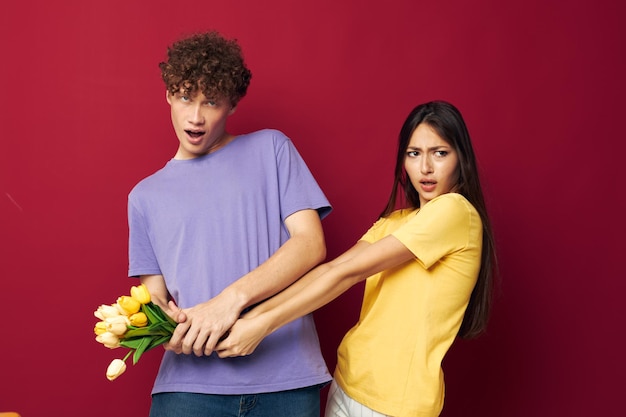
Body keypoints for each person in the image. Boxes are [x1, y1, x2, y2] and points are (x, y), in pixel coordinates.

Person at [216, 100, 497, 417]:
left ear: (461, 158)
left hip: (397, 404)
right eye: (414, 153)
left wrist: (262, 325)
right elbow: (331, 270)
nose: (426, 168)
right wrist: (247, 317)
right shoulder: (396, 220)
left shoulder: (455, 211)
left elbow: (345, 275)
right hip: (348, 382)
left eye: (440, 153)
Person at [127, 31, 333, 417]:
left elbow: (310, 245)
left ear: (232, 105)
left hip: (286, 380)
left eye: (212, 102)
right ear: (170, 94)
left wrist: (229, 302)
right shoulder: (144, 197)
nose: (196, 116)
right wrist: (166, 327)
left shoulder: (272, 149)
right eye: (186, 97)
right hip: (188, 389)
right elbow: (153, 299)